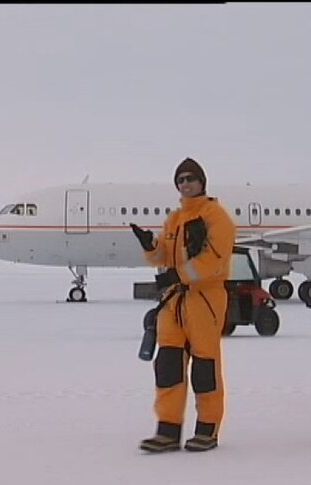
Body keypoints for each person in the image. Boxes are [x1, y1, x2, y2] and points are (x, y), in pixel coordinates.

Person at [129, 157, 236, 453]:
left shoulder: (217, 217)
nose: (186, 184)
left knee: (205, 366)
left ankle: (207, 430)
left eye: (190, 178)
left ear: (202, 182)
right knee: (168, 365)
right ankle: (167, 430)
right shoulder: (175, 219)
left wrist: (180, 273)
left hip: (205, 300)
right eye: (181, 180)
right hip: (175, 302)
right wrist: (150, 245)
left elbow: (215, 260)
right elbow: (164, 256)